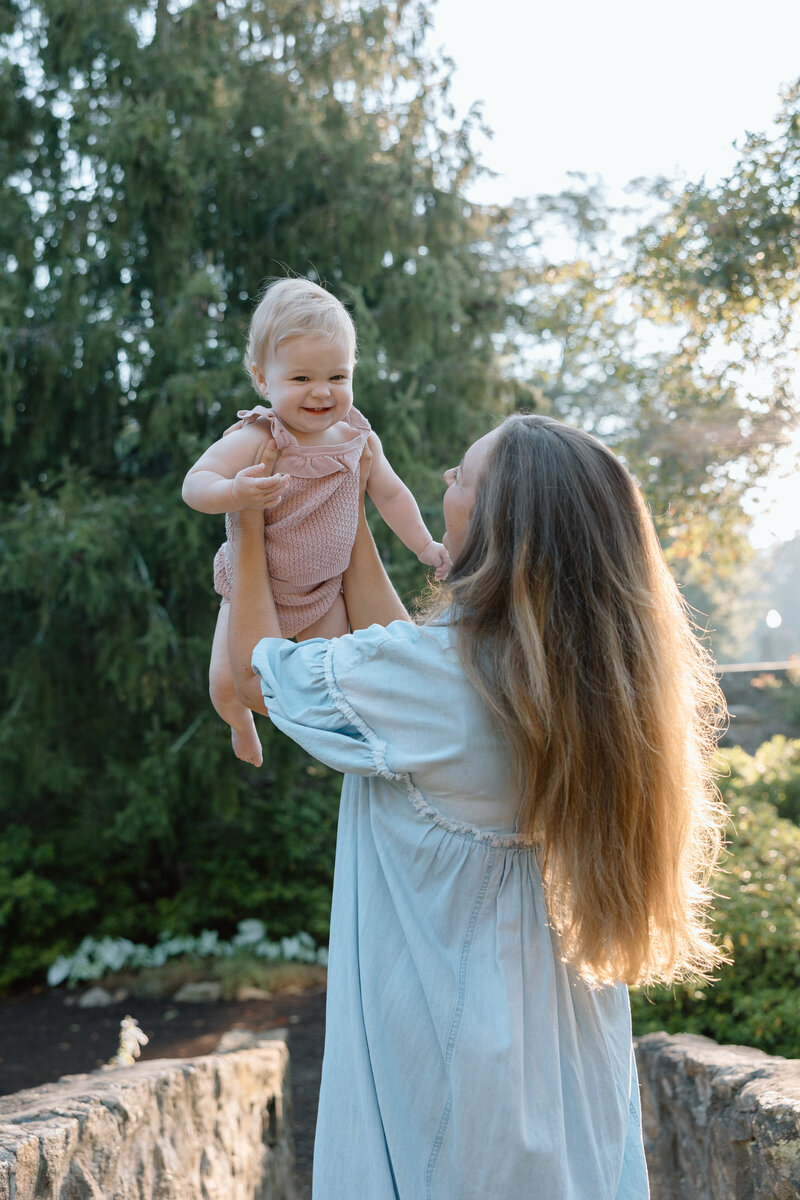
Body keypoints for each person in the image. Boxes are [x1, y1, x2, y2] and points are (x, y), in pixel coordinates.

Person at [226, 413, 727, 1199]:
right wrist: (345, 514)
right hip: (564, 1085)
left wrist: (247, 521)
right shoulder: (569, 686)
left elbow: (261, 675)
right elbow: (393, 657)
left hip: (466, 1103)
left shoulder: (436, 682)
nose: (443, 486)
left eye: (461, 477)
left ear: (499, 524)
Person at [182, 278, 449, 767]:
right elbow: (195, 483)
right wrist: (236, 492)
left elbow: (390, 493)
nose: (321, 392)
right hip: (254, 586)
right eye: (301, 379)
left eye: (337, 377)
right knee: (228, 684)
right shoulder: (260, 436)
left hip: (325, 588)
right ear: (264, 380)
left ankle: (364, 751)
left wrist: (425, 545)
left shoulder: (358, 438)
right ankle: (240, 726)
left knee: (341, 676)